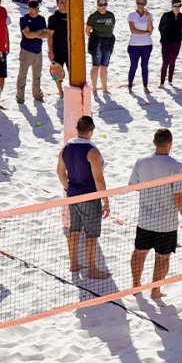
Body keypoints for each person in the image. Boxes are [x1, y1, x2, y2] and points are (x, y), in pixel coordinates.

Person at [128, 127, 182, 299]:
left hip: (145, 219)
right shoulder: (176, 166)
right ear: (170, 144)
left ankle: (136, 286)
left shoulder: (141, 161)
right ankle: (155, 291)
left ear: (154, 143)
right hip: (166, 222)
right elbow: (179, 195)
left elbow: (132, 186)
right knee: (162, 258)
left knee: (139, 252)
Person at [57, 115, 110, 279]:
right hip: (89, 197)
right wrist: (106, 200)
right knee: (91, 234)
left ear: (77, 129)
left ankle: (73, 264)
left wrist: (67, 187)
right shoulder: (92, 151)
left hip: (73, 197)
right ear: (91, 131)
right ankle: (92, 269)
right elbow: (99, 180)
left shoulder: (66, 147)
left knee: (74, 230)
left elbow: (59, 172)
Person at [14, 0, 48, 104]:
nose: (38, 10)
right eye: (36, 8)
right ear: (30, 9)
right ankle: (20, 97)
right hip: (26, 51)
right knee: (22, 75)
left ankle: (37, 95)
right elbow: (27, 35)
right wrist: (39, 32)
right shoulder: (24, 19)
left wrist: (33, 34)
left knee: (37, 75)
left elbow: (46, 34)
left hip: (38, 50)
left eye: (38, 8)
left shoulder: (41, 19)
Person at [86, 0, 116, 94]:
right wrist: (95, 39)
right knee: (96, 66)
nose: (103, 7)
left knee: (104, 67)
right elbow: (87, 31)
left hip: (108, 42)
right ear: (97, 6)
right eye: (101, 5)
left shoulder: (111, 15)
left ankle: (104, 88)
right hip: (97, 43)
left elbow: (112, 28)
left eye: (105, 4)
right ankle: (94, 88)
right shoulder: (93, 16)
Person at [127, 0, 154, 94]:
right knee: (133, 66)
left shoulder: (149, 15)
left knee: (145, 66)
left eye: (142, 3)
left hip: (147, 45)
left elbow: (151, 30)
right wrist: (146, 32)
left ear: (145, 4)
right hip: (134, 45)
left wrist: (148, 18)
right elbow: (133, 30)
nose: (140, 5)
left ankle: (145, 87)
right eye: (138, 3)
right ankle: (130, 85)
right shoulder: (131, 15)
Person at [46, 0, 69, 98]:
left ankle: (72, 91)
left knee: (72, 73)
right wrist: (50, 51)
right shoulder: (53, 18)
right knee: (57, 74)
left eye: (65, 2)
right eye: (61, 2)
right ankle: (60, 92)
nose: (64, 4)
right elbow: (49, 35)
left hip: (70, 50)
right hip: (57, 50)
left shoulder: (72, 15)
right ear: (57, 4)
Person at [158, 0, 182, 87]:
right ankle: (162, 82)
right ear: (172, 6)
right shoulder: (166, 15)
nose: (177, 8)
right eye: (175, 6)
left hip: (176, 42)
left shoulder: (181, 16)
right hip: (166, 42)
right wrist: (163, 35)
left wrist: (176, 17)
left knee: (173, 61)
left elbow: (178, 28)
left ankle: (170, 80)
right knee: (165, 62)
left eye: (179, 6)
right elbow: (160, 27)